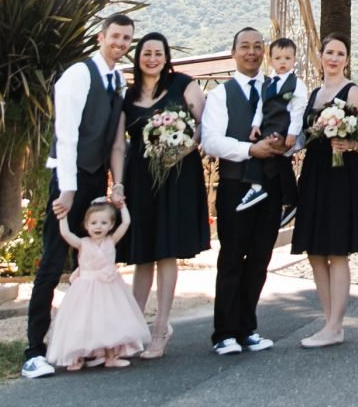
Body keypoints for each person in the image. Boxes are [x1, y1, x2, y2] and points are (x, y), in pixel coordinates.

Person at [23, 13, 134, 380]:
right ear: (101, 37)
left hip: (94, 181)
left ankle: (84, 346)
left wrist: (115, 183)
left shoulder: (116, 79)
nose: (120, 43)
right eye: (115, 36)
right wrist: (67, 190)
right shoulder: (78, 75)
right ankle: (34, 351)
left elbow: (117, 141)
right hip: (67, 180)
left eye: (126, 39)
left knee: (88, 266)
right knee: (53, 261)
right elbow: (66, 134)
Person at [117, 32, 211, 359]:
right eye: (146, 53)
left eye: (158, 53)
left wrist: (185, 146)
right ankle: (132, 328)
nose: (153, 58)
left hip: (177, 175)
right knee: (142, 253)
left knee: (166, 250)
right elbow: (119, 142)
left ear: (166, 56)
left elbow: (204, 124)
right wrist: (117, 184)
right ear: (138, 57)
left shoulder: (183, 84)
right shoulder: (127, 96)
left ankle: (161, 328)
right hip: (140, 179)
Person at [199, 27, 291, 356]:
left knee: (260, 258)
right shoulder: (221, 94)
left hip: (271, 185)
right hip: (235, 186)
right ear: (233, 51)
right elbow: (210, 140)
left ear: (264, 51)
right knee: (232, 258)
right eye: (244, 47)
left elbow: (296, 128)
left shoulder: (277, 87)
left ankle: (248, 327)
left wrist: (285, 144)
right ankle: (223, 332)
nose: (251, 52)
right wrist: (250, 150)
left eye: (257, 46)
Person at [292, 35, 358, 347]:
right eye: (330, 52)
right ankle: (329, 323)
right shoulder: (314, 93)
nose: (334, 58)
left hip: (342, 173)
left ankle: (336, 325)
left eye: (341, 53)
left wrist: (348, 143)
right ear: (321, 55)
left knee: (337, 251)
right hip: (315, 173)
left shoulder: (352, 91)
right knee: (315, 252)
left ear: (347, 59)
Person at [45, 199, 152, 371]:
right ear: (86, 225)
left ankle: (111, 356)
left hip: (109, 288)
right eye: (94, 222)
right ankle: (77, 356)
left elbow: (126, 222)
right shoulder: (83, 243)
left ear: (110, 225)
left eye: (104, 223)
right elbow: (66, 234)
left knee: (109, 321)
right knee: (81, 321)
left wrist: (122, 207)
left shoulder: (111, 240)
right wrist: (63, 217)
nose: (98, 226)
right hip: (86, 288)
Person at [264, 37, 307, 224]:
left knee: (283, 164)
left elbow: (298, 111)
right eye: (278, 58)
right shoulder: (267, 82)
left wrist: (292, 133)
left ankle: (291, 201)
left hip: (284, 131)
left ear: (294, 60)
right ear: (271, 59)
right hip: (267, 129)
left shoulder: (297, 84)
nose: (283, 62)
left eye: (288, 58)